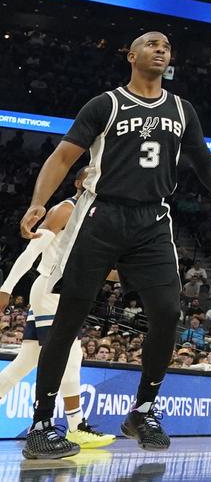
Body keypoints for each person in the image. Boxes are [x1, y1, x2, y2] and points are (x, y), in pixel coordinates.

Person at [19, 32, 211, 460]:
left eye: (166, 45)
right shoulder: (105, 104)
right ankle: (41, 423)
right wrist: (38, 202)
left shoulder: (183, 109)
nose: (162, 48)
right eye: (151, 43)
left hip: (153, 219)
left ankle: (143, 411)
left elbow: (204, 161)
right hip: (99, 215)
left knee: (168, 312)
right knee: (70, 317)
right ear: (132, 56)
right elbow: (62, 157)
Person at [0, 167, 114, 450]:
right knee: (71, 356)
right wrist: (6, 288)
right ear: (78, 182)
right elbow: (32, 251)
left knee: (25, 362)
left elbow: (95, 266)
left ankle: (76, 427)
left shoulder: (94, 216)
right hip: (51, 289)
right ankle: (76, 427)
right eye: (90, 176)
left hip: (61, 291)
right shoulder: (65, 209)